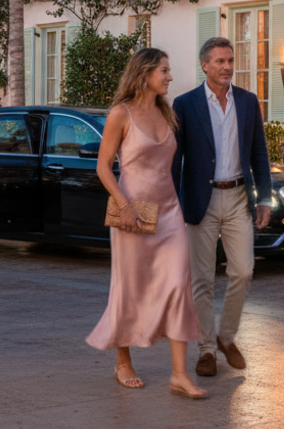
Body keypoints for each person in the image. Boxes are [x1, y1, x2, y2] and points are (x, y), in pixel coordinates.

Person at [88, 48, 206, 399]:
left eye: (169, 71)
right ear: (145, 74)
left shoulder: (167, 114)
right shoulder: (120, 114)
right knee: (130, 287)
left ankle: (180, 375)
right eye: (164, 71)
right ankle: (122, 360)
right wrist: (123, 205)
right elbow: (103, 167)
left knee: (177, 285)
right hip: (132, 214)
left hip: (169, 212)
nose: (170, 77)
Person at [172, 37, 272, 380]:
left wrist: (264, 198)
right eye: (219, 62)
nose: (227, 66)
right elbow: (176, 159)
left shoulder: (247, 102)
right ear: (205, 65)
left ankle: (226, 337)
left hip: (239, 197)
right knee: (201, 278)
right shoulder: (184, 104)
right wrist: (173, 204)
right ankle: (206, 350)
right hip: (202, 198)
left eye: (230, 60)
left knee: (243, 271)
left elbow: (259, 153)